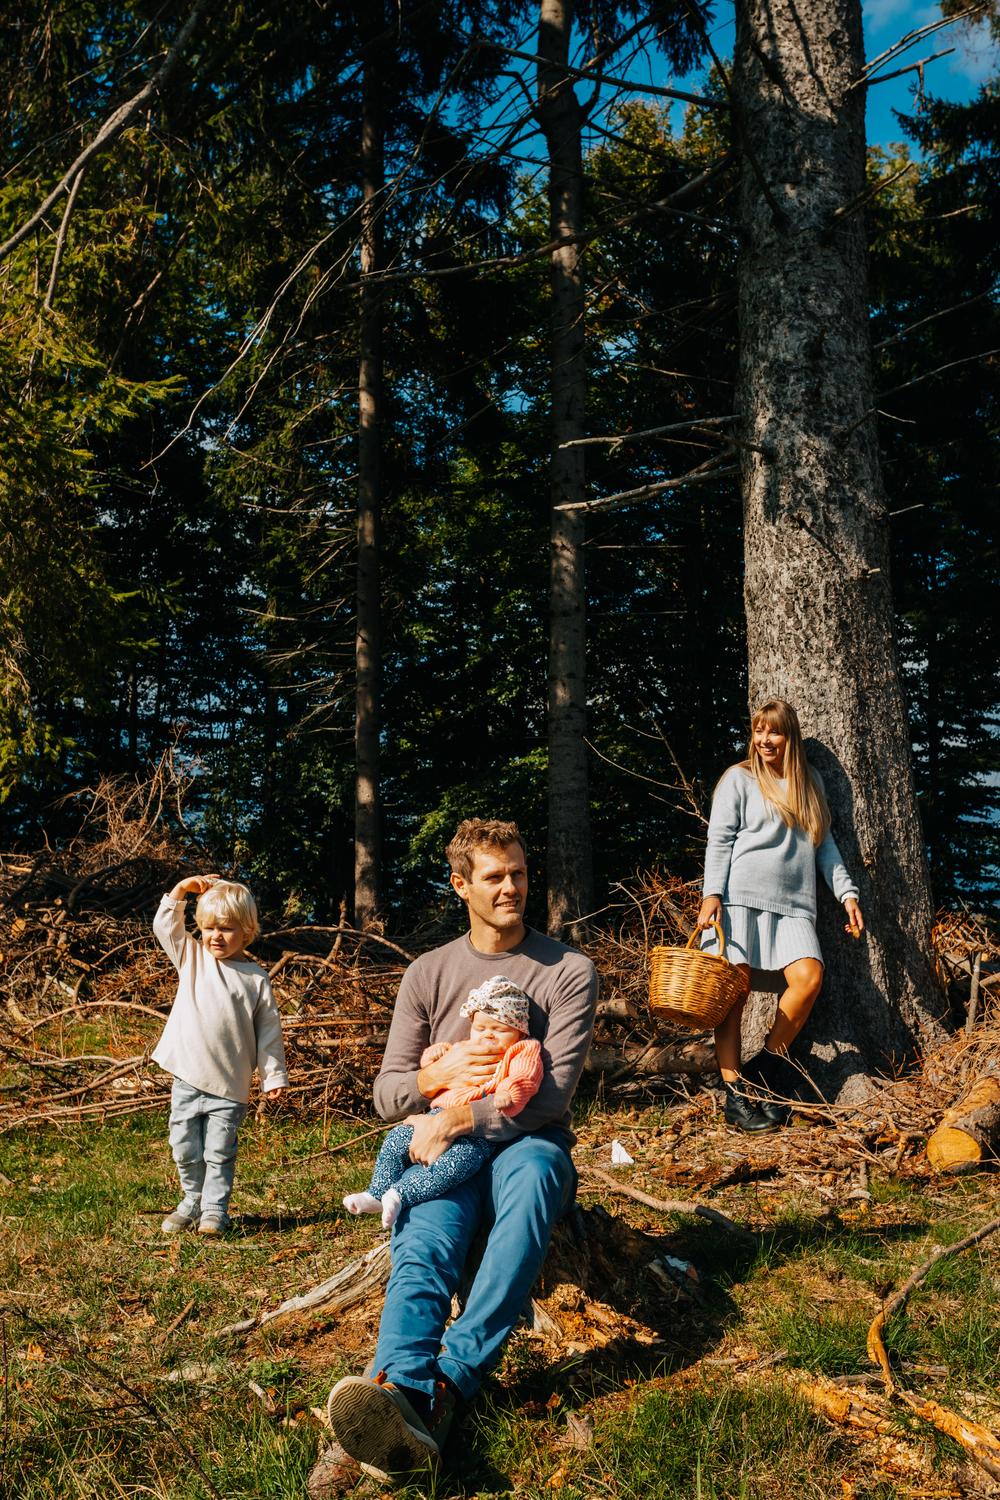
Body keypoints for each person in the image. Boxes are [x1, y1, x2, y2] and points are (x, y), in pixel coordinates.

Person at [321, 818, 598, 1487]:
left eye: (520, 873)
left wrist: (456, 1117)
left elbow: (551, 1097)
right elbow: (389, 1092)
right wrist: (431, 1084)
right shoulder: (428, 971)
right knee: (426, 1240)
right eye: (495, 877)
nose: (512, 887)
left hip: (529, 1146)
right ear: (460, 885)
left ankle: (450, 1381)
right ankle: (398, 1392)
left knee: (532, 1182)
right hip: (445, 1155)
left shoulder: (570, 971)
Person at [697, 700, 864, 1134]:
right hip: (738, 900)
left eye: (774, 733)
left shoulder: (810, 783)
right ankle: (735, 1095)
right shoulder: (739, 779)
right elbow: (720, 840)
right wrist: (710, 895)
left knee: (808, 978)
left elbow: (824, 847)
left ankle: (763, 1072)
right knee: (734, 997)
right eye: (758, 731)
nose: (764, 740)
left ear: (789, 736)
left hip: (793, 906)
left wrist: (846, 894)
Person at [343, 975, 543, 1229]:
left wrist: (508, 1092)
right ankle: (377, 1192)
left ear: (519, 1030)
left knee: (456, 1164)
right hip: (435, 1115)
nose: (489, 1036)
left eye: (500, 1030)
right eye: (481, 1028)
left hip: (477, 1130)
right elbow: (438, 1065)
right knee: (396, 1140)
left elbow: (525, 1076)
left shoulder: (521, 1050)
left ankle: (401, 1194)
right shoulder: (468, 1046)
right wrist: (435, 1055)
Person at [152, 875, 287, 1235]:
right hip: (187, 1076)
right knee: (183, 1146)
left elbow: (269, 1033)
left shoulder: (256, 979)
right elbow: (165, 926)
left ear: (247, 930)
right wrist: (179, 890)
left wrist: (273, 1076)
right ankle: (191, 1200)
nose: (215, 936)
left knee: (219, 1150)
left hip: (229, 1085)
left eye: (226, 929)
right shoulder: (192, 958)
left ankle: (215, 1209)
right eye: (208, 927)